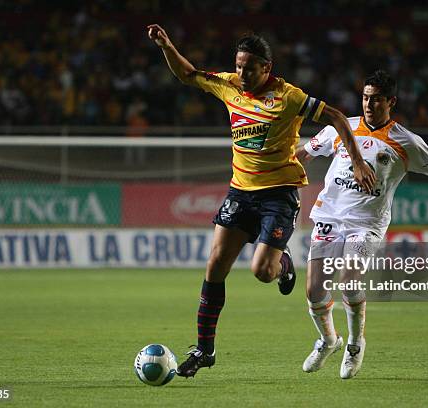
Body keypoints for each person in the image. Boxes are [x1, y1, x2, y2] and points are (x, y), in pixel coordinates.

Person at [146, 24, 376, 378]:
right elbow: (188, 74)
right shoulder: (229, 86)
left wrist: (358, 161)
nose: (242, 73)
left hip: (279, 194)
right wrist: (166, 46)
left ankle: (282, 264)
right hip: (240, 191)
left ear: (266, 68)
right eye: (238, 66)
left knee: (261, 272)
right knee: (215, 265)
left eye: (249, 68)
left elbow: (335, 116)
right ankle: (205, 349)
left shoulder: (288, 96)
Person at [296, 70, 428, 379]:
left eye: (376, 99)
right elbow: (303, 156)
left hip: (367, 223)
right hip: (329, 217)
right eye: (365, 98)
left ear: (391, 101)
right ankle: (328, 340)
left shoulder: (406, 141)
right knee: (314, 290)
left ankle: (354, 343)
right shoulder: (341, 127)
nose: (369, 104)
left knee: (351, 279)